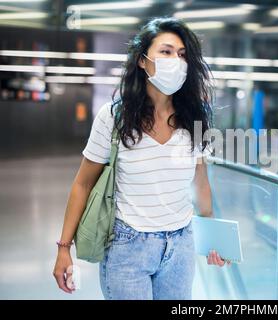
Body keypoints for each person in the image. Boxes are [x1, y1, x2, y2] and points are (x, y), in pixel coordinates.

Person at [53, 17, 228, 300]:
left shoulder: (194, 119)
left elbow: (201, 184)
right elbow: (83, 184)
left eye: (182, 54)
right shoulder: (114, 117)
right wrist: (63, 249)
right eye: (166, 51)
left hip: (180, 247)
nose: (177, 61)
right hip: (127, 247)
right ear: (142, 60)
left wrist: (214, 239)